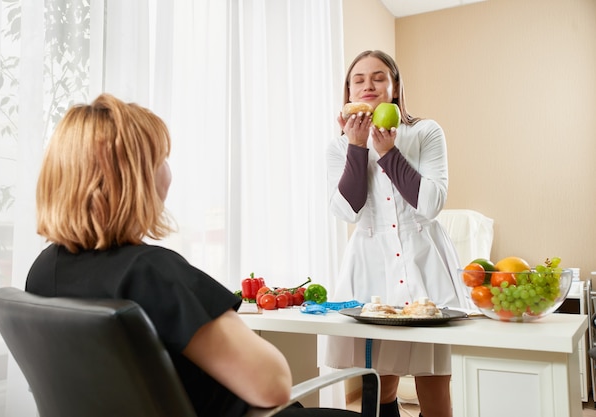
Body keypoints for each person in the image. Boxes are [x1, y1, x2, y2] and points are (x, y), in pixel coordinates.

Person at [26, 93, 363, 417]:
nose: (167, 172)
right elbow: (272, 384)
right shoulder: (151, 272)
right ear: (134, 180)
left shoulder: (42, 271)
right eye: (161, 160)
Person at [325, 50, 471, 417]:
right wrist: (357, 148)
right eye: (358, 79)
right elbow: (346, 211)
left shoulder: (425, 132)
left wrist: (388, 152)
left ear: (394, 86)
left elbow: (431, 203)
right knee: (380, 380)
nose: (368, 85)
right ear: (348, 89)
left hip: (425, 263)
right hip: (371, 266)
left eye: (378, 77)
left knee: (434, 381)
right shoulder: (338, 145)